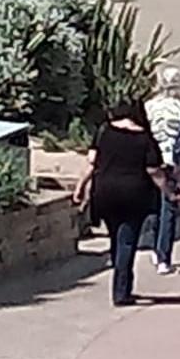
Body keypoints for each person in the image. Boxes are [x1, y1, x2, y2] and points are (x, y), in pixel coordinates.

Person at [73, 98, 173, 306]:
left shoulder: (104, 132)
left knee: (115, 236)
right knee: (127, 240)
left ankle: (120, 278)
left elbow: (92, 161)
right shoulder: (144, 138)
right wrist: (169, 191)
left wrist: (80, 186)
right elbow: (153, 170)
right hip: (134, 194)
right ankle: (121, 291)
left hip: (105, 192)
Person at [145, 67, 180, 273]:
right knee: (169, 209)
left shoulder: (149, 107)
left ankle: (157, 250)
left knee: (155, 207)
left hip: (152, 162)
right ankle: (164, 256)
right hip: (174, 163)